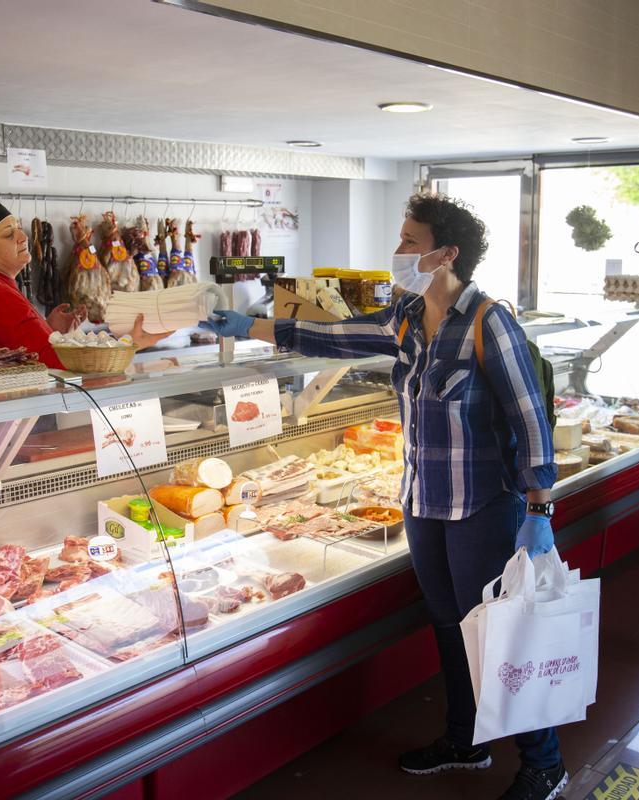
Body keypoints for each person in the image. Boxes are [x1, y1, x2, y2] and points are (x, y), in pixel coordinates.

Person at [207, 194, 568, 800]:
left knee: (499, 632)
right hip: (424, 503)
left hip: (483, 505)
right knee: (451, 626)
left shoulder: (487, 321)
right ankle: (466, 739)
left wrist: (539, 509)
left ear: (445, 253)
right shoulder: (404, 315)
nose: (398, 251)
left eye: (409, 240)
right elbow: (332, 336)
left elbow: (530, 419)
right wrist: (250, 327)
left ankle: (544, 761)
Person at [0, 196, 158, 368]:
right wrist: (130, 342)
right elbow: (57, 362)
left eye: (17, 227)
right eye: (9, 234)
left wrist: (48, 329)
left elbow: (14, 345)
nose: (23, 237)